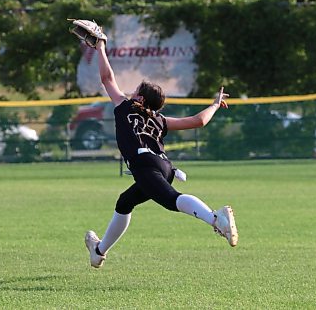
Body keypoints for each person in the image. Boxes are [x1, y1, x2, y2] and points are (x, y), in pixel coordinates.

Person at [84, 35, 238, 269]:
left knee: (170, 200)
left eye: (136, 91)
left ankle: (215, 219)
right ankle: (98, 251)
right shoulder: (160, 120)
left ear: (140, 98)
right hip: (164, 167)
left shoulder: (124, 107)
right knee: (125, 202)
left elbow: (106, 78)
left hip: (145, 164)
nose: (132, 92)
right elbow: (198, 121)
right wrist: (215, 104)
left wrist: (101, 47)